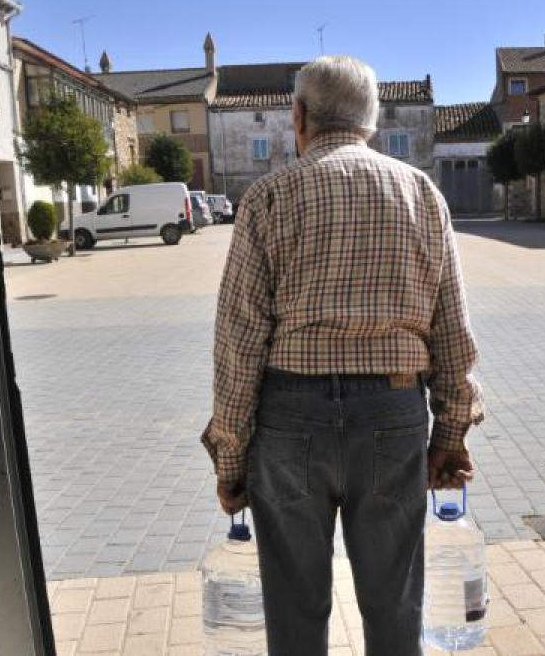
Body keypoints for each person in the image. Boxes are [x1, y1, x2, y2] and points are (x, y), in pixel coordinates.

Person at [201, 55, 484, 656]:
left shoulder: (268, 197)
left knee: (296, 607)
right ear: (372, 121)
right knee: (394, 606)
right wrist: (451, 435)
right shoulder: (421, 195)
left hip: (289, 422)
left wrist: (231, 457)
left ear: (298, 117)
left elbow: (239, 339)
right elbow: (451, 328)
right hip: (392, 414)